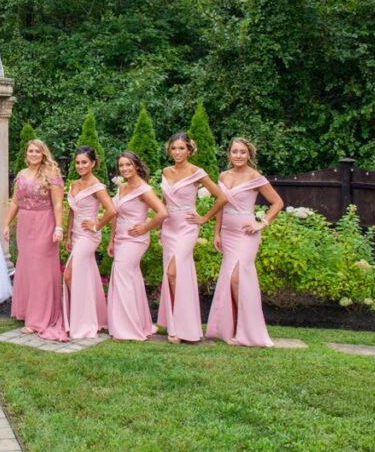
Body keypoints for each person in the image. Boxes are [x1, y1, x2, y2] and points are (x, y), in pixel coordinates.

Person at [206, 138, 283, 347]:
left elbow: (278, 202)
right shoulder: (224, 175)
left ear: (249, 154)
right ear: (229, 154)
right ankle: (227, 329)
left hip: (246, 233)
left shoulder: (255, 176)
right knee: (227, 278)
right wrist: (217, 233)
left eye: (242, 152)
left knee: (237, 279)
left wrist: (262, 223)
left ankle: (245, 329)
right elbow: (221, 205)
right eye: (234, 152)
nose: (238, 155)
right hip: (228, 233)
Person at [159, 132, 227, 343]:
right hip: (168, 227)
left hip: (187, 227)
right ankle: (174, 326)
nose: (177, 152)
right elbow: (163, 200)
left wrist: (204, 218)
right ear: (169, 151)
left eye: (181, 148)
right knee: (172, 275)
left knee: (174, 271)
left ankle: (183, 324)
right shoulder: (165, 172)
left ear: (189, 150)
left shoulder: (197, 172)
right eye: (174, 148)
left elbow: (222, 197)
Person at [4, 139, 70, 341]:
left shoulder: (52, 174)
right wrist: (6, 224)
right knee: (26, 267)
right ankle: (26, 311)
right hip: (25, 222)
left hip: (45, 221)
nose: (33, 154)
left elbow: (58, 203)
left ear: (43, 154)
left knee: (41, 269)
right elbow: (15, 201)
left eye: (37, 151)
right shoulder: (22, 174)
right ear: (26, 153)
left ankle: (40, 318)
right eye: (30, 151)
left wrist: (59, 227)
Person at [106, 151, 167, 341]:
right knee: (131, 278)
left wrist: (145, 227)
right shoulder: (122, 188)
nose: (124, 168)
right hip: (121, 238)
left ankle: (129, 329)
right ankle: (140, 323)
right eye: (121, 165)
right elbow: (115, 213)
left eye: (128, 165)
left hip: (135, 239)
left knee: (122, 274)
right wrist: (111, 239)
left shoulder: (144, 189)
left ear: (137, 166)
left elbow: (162, 212)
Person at [63, 146, 116, 339]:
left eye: (84, 162)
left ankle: (83, 320)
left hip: (88, 235)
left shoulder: (97, 186)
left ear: (93, 163)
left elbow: (111, 210)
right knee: (86, 276)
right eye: (77, 162)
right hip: (76, 234)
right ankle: (92, 315)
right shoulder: (74, 184)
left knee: (69, 275)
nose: (80, 166)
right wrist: (68, 235)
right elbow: (71, 211)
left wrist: (96, 226)